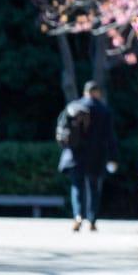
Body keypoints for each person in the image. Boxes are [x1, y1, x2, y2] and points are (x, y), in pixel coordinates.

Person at [56, 80, 118, 232]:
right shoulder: (103, 110)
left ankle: (78, 216)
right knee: (93, 188)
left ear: (85, 92)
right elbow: (110, 136)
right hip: (96, 156)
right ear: (97, 93)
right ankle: (92, 220)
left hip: (74, 155)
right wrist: (113, 157)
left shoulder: (74, 107)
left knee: (77, 186)